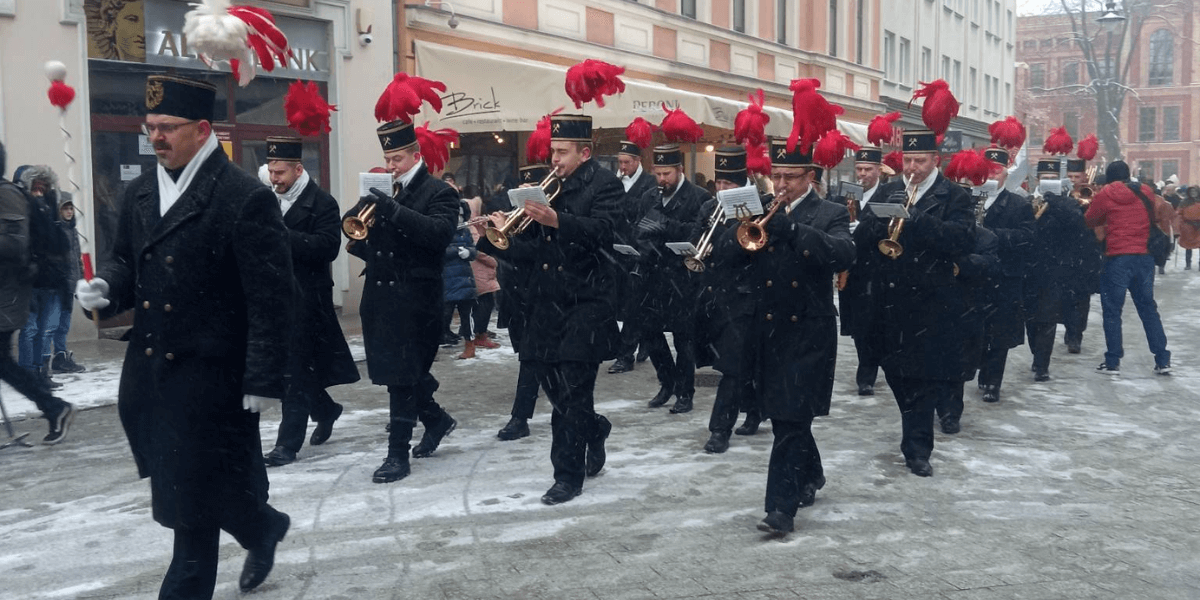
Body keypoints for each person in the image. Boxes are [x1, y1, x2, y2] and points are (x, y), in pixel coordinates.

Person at [74, 74, 292, 597]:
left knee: (189, 508)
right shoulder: (141, 191)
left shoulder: (243, 197)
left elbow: (273, 298)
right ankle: (262, 526)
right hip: (151, 374)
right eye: (149, 127)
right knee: (194, 486)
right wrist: (108, 286)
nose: (156, 137)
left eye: (167, 127)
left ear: (202, 129)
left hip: (214, 377)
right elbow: (128, 259)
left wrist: (263, 378)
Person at [476, 113, 623, 505]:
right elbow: (535, 254)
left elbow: (606, 234)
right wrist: (496, 237)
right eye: (553, 151)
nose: (554, 159)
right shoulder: (546, 187)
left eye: (562, 152)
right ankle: (594, 429)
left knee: (574, 391)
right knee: (552, 385)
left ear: (584, 152)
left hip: (587, 300)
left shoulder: (605, 186)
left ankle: (567, 477)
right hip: (546, 302)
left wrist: (557, 219)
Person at [708, 138, 852, 534]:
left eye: (791, 176)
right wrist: (738, 228)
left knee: (789, 420)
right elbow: (724, 257)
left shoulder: (830, 212)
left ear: (811, 177)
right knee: (788, 415)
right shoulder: (760, 209)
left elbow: (842, 255)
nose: (782, 183)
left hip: (808, 330)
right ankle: (813, 473)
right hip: (765, 330)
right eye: (777, 175)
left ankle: (780, 509)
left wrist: (794, 231)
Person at [854, 129, 976, 477]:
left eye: (919, 161)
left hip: (931, 303)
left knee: (922, 380)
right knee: (898, 377)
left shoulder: (954, 195)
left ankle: (917, 448)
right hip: (890, 301)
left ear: (936, 160)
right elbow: (862, 238)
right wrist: (876, 222)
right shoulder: (891, 191)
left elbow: (962, 239)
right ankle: (914, 428)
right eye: (908, 160)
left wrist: (918, 221)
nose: (912, 167)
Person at [344, 118, 460, 483]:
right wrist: (359, 227)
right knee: (399, 373)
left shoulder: (440, 192)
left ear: (416, 155)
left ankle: (397, 454)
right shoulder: (385, 191)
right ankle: (437, 420)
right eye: (387, 159)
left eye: (397, 159)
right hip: (381, 297)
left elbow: (437, 235)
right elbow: (373, 243)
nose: (390, 166)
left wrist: (391, 211)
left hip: (416, 299)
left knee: (402, 377)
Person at [261, 137, 359, 467]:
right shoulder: (266, 199)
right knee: (296, 370)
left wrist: (280, 235)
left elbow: (328, 247)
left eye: (280, 172)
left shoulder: (322, 203)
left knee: (294, 372)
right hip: (273, 299)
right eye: (271, 171)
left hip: (307, 300)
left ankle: (286, 445)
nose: (274, 178)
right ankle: (327, 410)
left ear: (298, 169)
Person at [0, 142, 75, 444]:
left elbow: (15, 245)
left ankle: (55, 406)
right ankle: (54, 407)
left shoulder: (6, 195)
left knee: (2, 361)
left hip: (8, 293)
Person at [631, 144, 710, 414]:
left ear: (679, 170)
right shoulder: (649, 196)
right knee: (650, 333)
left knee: (683, 338)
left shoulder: (698, 196)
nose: (662, 179)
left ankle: (685, 392)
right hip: (652, 275)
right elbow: (639, 227)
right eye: (658, 174)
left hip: (682, 277)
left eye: (667, 173)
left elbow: (698, 234)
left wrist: (666, 226)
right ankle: (667, 383)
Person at [698, 146, 766, 453]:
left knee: (733, 366)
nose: (722, 190)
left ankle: (719, 429)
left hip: (747, 298)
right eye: (719, 184)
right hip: (716, 297)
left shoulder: (758, 210)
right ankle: (754, 410)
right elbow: (697, 236)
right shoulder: (708, 209)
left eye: (729, 185)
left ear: (742, 185)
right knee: (741, 364)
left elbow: (756, 248)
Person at [1085, 160, 1172, 375]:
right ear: (1128, 174)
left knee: (1113, 310)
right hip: (1144, 257)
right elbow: (1154, 214)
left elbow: (1090, 220)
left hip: (1117, 258)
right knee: (1147, 308)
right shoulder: (1146, 191)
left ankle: (1113, 360)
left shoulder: (1105, 194)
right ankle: (1162, 359)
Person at [493, 165, 549, 441]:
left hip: (541, 298)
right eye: (520, 195)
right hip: (515, 297)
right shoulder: (518, 220)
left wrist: (505, 234)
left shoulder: (546, 222)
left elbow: (532, 254)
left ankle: (520, 417)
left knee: (531, 358)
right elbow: (505, 256)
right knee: (537, 362)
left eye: (530, 195)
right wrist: (489, 234)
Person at [974, 147, 1034, 403]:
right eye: (987, 171)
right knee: (977, 329)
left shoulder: (1018, 203)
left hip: (1004, 276)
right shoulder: (968, 199)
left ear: (1004, 174)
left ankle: (993, 381)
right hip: (975, 275)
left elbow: (1028, 238)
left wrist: (995, 235)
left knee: (998, 333)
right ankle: (980, 370)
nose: (991, 176)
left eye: (996, 172)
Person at [838, 145, 893, 397]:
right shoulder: (848, 193)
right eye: (859, 168)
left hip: (878, 268)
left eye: (868, 169)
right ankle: (867, 366)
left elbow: (889, 230)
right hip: (853, 268)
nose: (862, 174)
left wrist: (861, 228)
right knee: (859, 325)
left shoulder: (889, 194)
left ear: (879, 170)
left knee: (876, 323)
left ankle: (870, 370)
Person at [15, 165, 70, 390]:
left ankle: (40, 372)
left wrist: (59, 222)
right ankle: (27, 375)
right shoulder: (20, 210)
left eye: (42, 188)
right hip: (29, 279)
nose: (39, 193)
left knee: (45, 328)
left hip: (50, 278)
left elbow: (61, 244)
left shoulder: (50, 211)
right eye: (34, 188)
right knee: (30, 329)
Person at [607, 138, 657, 374]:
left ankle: (625, 354)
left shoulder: (649, 183)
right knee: (617, 301)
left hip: (638, 251)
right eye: (620, 162)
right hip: (615, 251)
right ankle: (640, 339)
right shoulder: (615, 182)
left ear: (638, 161)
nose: (623, 166)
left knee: (633, 302)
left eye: (627, 162)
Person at [1061, 155, 1104, 354]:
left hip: (1087, 254)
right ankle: (1071, 329)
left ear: (1084, 176)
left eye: (1076, 176)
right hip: (1066, 253)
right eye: (1069, 176)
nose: (1072, 180)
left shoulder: (1094, 194)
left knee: (1082, 297)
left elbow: (1099, 222)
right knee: (1067, 296)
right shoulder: (1062, 193)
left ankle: (1077, 333)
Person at [51, 191, 88, 374]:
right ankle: (49, 359)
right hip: (59, 285)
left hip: (70, 284)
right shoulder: (57, 230)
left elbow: (77, 259)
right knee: (54, 324)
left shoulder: (73, 230)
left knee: (64, 323)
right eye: (65, 207)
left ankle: (60, 356)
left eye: (71, 207)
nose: (69, 211)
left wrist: (80, 280)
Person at [463, 186, 501, 349]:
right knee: (484, 305)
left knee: (482, 305)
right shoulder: (470, 229)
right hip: (480, 274)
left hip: (483, 274)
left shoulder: (475, 227)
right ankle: (479, 334)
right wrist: (494, 261)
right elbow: (480, 252)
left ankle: (479, 332)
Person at [443, 200, 479, 359]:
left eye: (461, 215)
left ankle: (470, 346)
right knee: (443, 315)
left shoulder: (465, 231)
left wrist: (469, 253)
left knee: (468, 316)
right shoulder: (442, 229)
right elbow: (437, 251)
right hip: (447, 279)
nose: (459, 218)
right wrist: (457, 250)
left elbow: (473, 250)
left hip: (465, 279)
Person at [1176, 186, 1200, 270]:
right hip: (1188, 226)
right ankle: (1188, 264)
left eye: (1195, 191)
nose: (1193, 193)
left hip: (1199, 227)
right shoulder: (1184, 202)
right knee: (1188, 246)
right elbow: (1179, 214)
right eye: (1191, 191)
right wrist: (1180, 225)